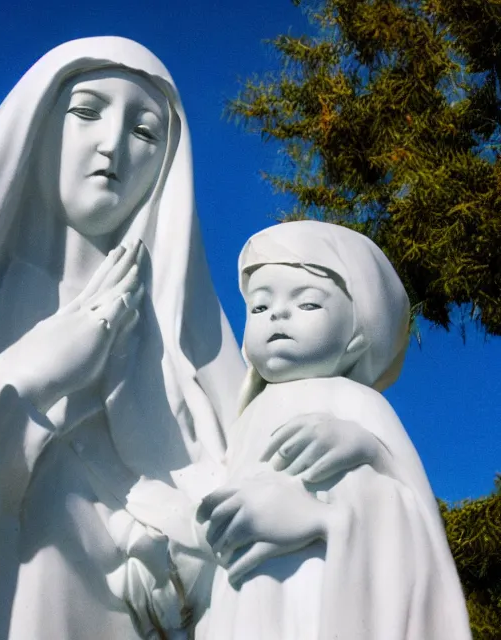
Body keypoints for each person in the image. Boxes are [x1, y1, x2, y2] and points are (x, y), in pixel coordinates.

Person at [0, 37, 247, 640]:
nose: (111, 146)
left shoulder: (182, 339)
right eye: (87, 112)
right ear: (40, 125)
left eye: (145, 133)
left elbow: (232, 541)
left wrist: (173, 545)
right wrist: (24, 383)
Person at [195, 221, 472, 639]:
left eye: (308, 304)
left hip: (323, 597)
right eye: (259, 307)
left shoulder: (358, 404)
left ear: (358, 334)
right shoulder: (245, 419)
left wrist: (322, 516)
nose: (278, 315)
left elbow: (414, 529)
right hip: (243, 603)